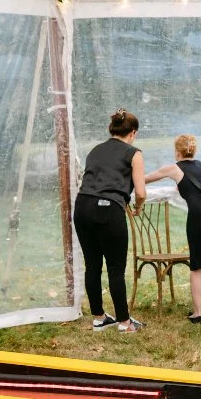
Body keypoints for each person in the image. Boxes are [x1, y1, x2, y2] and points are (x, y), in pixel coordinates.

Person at [144, 134, 201, 322]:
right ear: (194, 150)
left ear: (177, 152)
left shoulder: (174, 168)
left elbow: (145, 179)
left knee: (198, 266)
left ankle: (197, 313)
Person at [74, 108, 146, 333]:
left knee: (92, 264)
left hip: (82, 206)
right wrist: (137, 207)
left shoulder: (95, 150)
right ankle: (125, 323)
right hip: (108, 209)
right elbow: (141, 192)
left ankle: (99, 318)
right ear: (132, 133)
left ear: (111, 129)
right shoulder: (134, 153)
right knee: (115, 268)